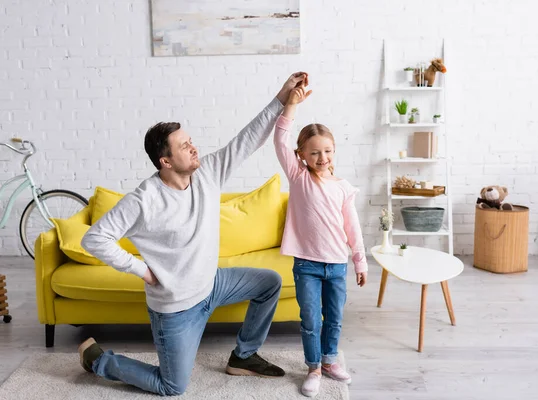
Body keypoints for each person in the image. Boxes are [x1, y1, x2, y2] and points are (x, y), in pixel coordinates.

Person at [78, 72, 309, 396]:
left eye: (190, 141)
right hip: (176, 307)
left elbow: (248, 139)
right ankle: (99, 361)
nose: (193, 147)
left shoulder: (207, 174)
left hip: (211, 285)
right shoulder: (144, 201)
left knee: (269, 283)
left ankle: (243, 356)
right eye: (184, 146)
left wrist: (282, 97)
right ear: (166, 161)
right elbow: (94, 238)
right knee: (172, 386)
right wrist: (141, 270)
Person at [273, 80, 368, 397]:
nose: (322, 157)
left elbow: (352, 227)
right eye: (314, 152)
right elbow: (280, 138)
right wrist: (292, 104)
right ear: (301, 155)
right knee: (311, 320)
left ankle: (329, 362)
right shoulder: (298, 176)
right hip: (307, 265)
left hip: (338, 265)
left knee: (335, 319)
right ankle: (313, 367)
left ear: (334, 151)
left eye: (327, 151)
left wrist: (360, 261)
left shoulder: (343, 187)